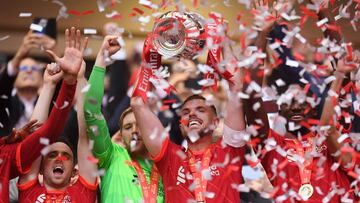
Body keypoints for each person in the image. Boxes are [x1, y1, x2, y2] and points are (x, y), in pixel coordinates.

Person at [130, 39, 248, 202]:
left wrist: (223, 39)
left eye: (201, 110)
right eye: (185, 112)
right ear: (180, 125)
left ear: (215, 122)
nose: (191, 114)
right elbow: (138, 103)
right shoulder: (170, 157)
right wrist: (151, 56)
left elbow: (237, 86)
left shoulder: (229, 150)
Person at [0, 26, 84, 202]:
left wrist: (66, 82)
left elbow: (47, 132)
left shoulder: (4, 153)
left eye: (33, 69)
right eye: (23, 69)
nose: (29, 72)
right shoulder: (6, 103)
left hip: (25, 171)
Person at [84, 35, 164, 203]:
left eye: (139, 125)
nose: (134, 130)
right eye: (127, 127)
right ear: (120, 135)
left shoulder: (165, 166)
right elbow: (91, 109)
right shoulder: (111, 155)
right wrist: (101, 58)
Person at [18, 38, 98, 201]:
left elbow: (85, 136)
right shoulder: (29, 190)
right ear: (39, 169)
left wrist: (80, 77)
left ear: (75, 171)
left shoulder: (83, 192)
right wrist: (48, 84)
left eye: (66, 156)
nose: (59, 159)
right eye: (52, 154)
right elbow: (35, 138)